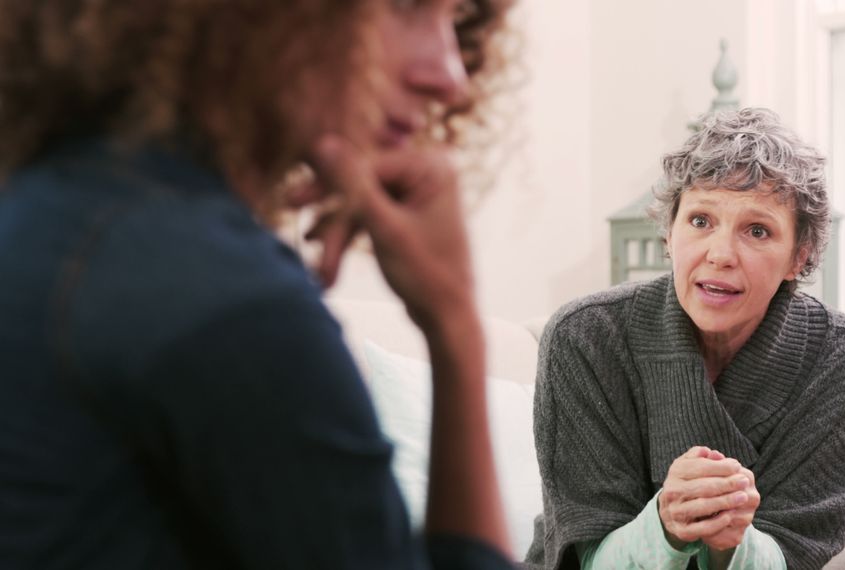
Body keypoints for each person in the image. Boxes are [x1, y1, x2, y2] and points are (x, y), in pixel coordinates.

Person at [0, 0, 517, 568]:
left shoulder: (56, 213)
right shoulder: (222, 300)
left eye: (455, 20)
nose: (450, 78)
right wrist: (456, 326)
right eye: (404, 7)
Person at [526, 108, 845, 570]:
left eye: (757, 231)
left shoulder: (843, 359)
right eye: (700, 221)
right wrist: (665, 527)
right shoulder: (584, 338)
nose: (720, 255)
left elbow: (797, 552)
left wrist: (732, 541)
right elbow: (584, 553)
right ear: (669, 234)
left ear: (800, 256)